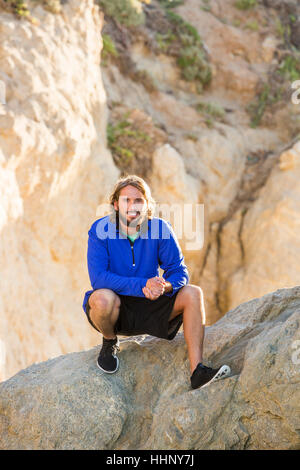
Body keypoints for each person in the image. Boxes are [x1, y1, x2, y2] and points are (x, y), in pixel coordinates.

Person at [82, 175, 230, 390]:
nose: (132, 206)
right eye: (126, 200)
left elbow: (179, 271)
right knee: (102, 298)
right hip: (117, 310)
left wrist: (165, 286)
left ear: (147, 205)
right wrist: (142, 286)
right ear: (115, 204)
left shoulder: (160, 228)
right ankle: (109, 341)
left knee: (193, 293)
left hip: (152, 306)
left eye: (139, 200)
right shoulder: (99, 231)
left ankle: (197, 371)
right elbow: (99, 278)